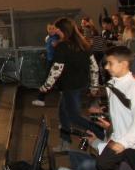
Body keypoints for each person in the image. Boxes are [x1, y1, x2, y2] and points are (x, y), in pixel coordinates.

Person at [39, 17, 104, 152]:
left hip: (70, 86)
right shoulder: (83, 44)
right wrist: (94, 85)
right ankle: (65, 142)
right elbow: (94, 67)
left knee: (74, 116)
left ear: (62, 30)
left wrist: (46, 86)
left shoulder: (63, 46)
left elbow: (57, 69)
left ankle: (101, 131)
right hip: (80, 85)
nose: (55, 31)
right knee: (63, 114)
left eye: (57, 29)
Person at [33, 23, 60, 107]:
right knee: (49, 80)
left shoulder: (57, 38)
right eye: (49, 29)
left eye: (53, 28)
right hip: (50, 61)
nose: (51, 30)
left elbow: (55, 45)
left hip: (56, 62)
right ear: (47, 29)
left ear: (56, 29)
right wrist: (45, 54)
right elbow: (49, 48)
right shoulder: (48, 38)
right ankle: (41, 99)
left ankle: (41, 99)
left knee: (47, 80)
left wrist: (57, 41)